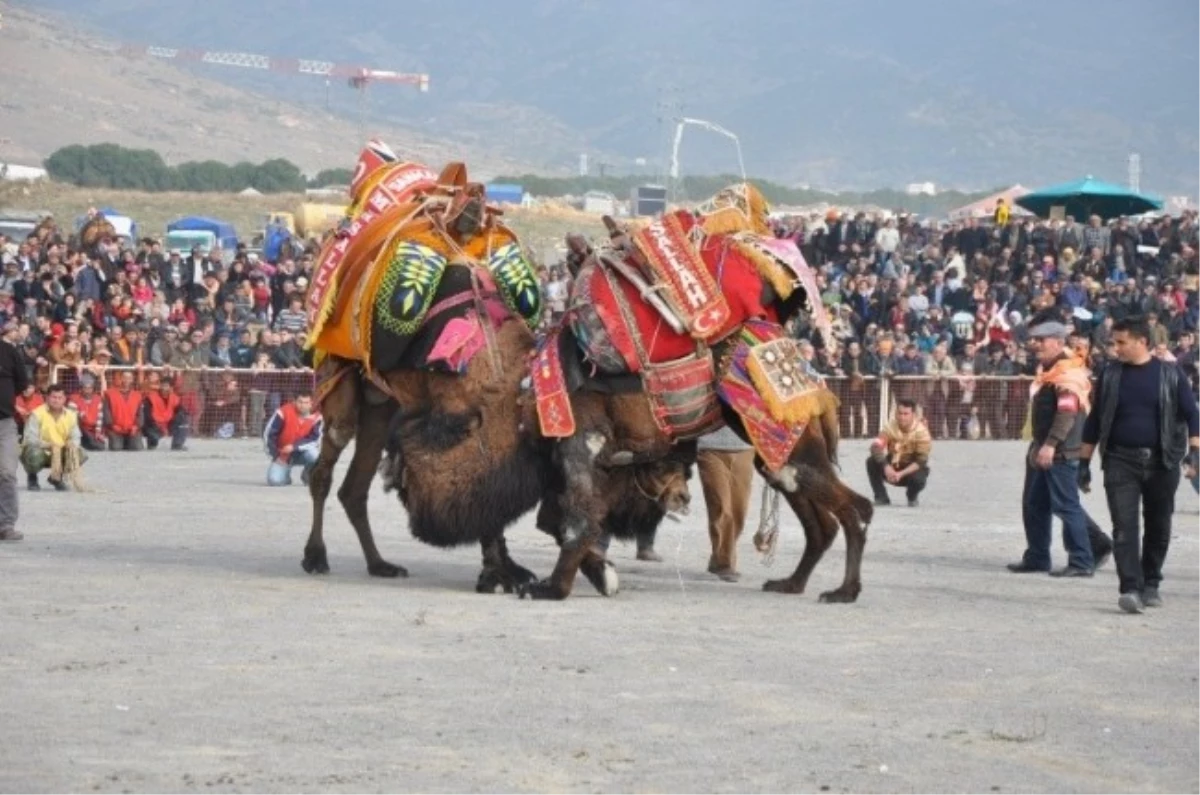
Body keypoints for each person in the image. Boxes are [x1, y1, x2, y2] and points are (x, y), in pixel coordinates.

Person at [1079, 316, 1200, 614]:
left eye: (1121, 342)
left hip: (1163, 461)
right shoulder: (1110, 375)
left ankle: (1151, 584)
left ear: (1142, 341)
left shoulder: (1171, 374)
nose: (1115, 348)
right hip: (1120, 461)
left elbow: (1193, 415)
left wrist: (1194, 451)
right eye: (1113, 342)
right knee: (1124, 528)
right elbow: (1094, 421)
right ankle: (1130, 588)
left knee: (1159, 526)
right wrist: (1084, 461)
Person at [1008, 319, 1096, 577]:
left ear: (1058, 342)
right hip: (1046, 447)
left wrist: (1049, 445)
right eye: (1034, 340)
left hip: (1060, 451)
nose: (1035, 345)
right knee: (1035, 504)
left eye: (1041, 340)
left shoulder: (1067, 373)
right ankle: (1037, 557)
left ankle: (1081, 560)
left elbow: (1066, 415)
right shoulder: (1050, 370)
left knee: (1066, 506)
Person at [695, 425, 755, 582]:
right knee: (721, 506)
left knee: (739, 510)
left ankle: (719, 556)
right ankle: (724, 562)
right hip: (710, 448)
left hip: (745, 448)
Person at [22, 384, 87, 492]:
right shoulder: (37, 413)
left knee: (80, 453)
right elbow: (30, 438)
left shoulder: (71, 415)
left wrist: (71, 443)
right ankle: (32, 477)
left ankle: (56, 477)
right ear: (47, 398)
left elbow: (76, 436)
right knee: (33, 454)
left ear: (64, 399)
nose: (56, 400)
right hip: (41, 450)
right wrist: (48, 445)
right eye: (53, 397)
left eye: (59, 398)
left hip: (60, 450)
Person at [866, 399, 931, 507]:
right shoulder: (890, 428)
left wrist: (900, 474)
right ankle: (881, 497)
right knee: (871, 461)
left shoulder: (922, 432)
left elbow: (921, 460)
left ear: (913, 415)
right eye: (899, 413)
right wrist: (886, 466)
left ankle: (912, 496)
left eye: (906, 414)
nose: (902, 417)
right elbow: (875, 447)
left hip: (911, 469)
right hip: (892, 466)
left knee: (919, 479)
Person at [0, 333, 29, 540]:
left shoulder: (9, 352)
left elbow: (22, 383)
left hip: (5, 423)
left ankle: (6, 524)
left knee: (7, 473)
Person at [264, 393, 322, 486]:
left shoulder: (317, 417)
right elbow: (268, 435)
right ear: (294, 402)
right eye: (300, 402)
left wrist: (294, 447)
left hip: (303, 452)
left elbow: (315, 440)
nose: (303, 405)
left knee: (315, 455)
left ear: (311, 403)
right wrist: (276, 456)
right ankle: (286, 474)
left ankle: (308, 474)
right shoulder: (282, 412)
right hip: (282, 455)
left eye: (306, 402)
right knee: (275, 481)